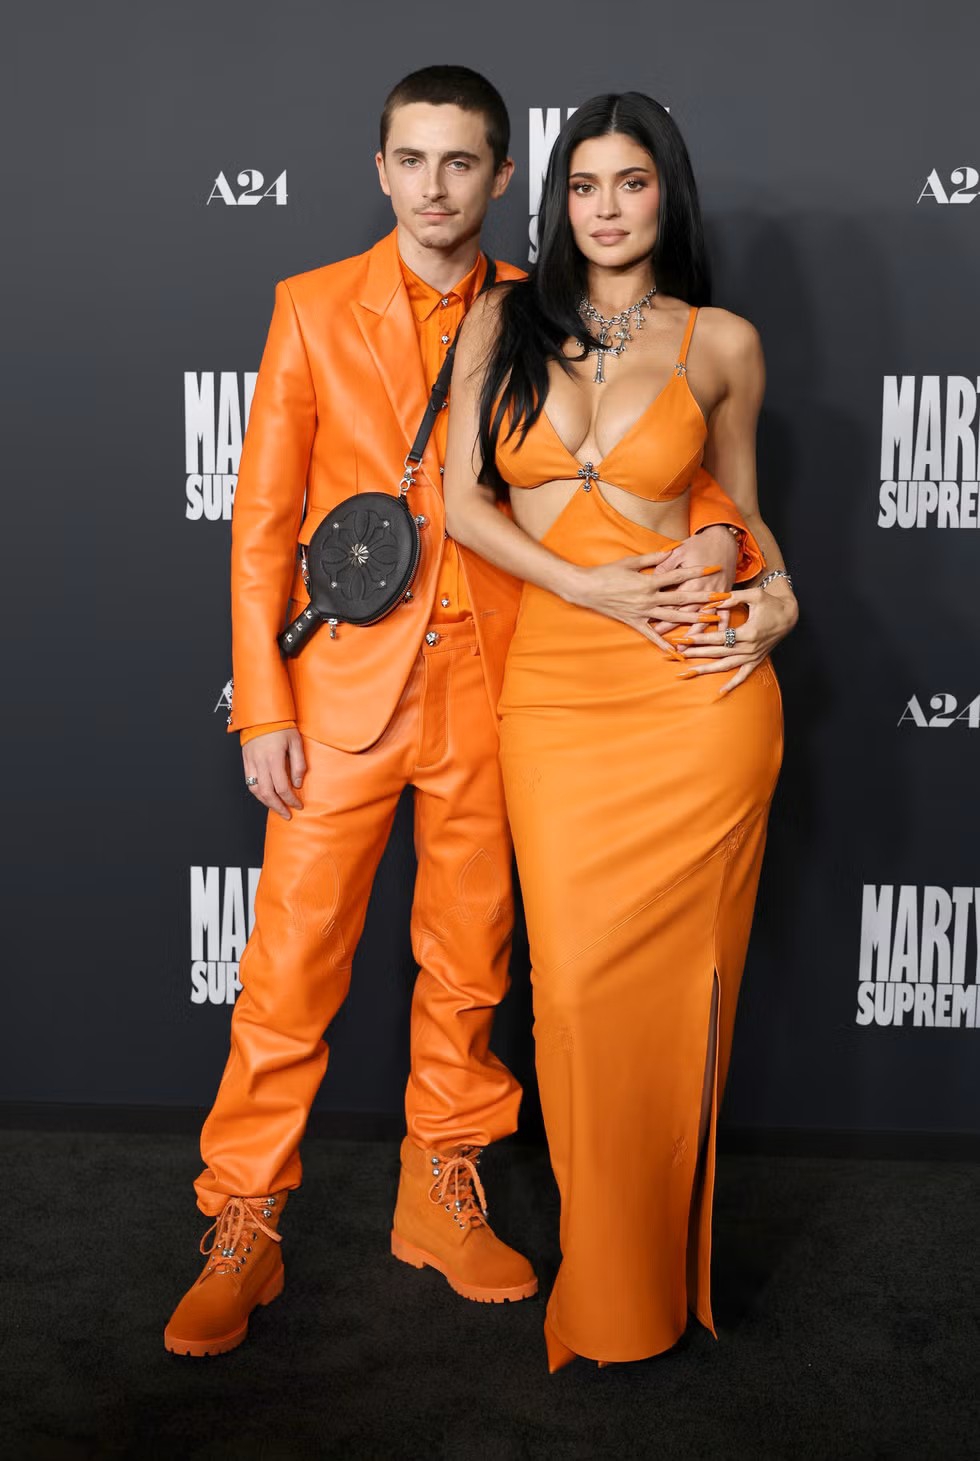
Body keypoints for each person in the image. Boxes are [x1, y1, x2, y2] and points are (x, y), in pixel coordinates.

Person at [165, 69, 763, 1358]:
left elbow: (667, 467)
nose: (432, 187)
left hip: (504, 689)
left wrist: (732, 548)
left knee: (470, 966)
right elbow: (262, 520)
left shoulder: (542, 308)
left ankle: (440, 1191)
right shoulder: (310, 306)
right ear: (378, 170)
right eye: (410, 160)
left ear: (500, 178)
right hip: (342, 695)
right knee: (288, 970)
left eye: (458, 163)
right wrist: (262, 703)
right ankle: (243, 1220)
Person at [443, 92, 797, 1370]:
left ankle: (629, 1294)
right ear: (557, 201)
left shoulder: (721, 342)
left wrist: (776, 590)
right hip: (559, 687)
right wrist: (583, 587)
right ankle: (604, 1282)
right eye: (584, 184)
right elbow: (461, 504)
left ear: (665, 194)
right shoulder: (500, 320)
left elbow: (741, 513)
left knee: (675, 1002)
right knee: (576, 996)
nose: (605, 207)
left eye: (631, 182)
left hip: (695, 700)